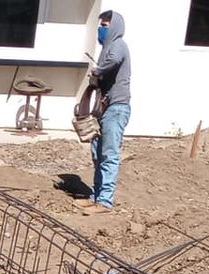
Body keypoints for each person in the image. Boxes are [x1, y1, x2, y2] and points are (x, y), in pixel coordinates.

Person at [77, 10, 131, 213]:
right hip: (103, 110)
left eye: (105, 26)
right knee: (97, 154)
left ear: (115, 27)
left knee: (109, 154)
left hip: (116, 109)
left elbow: (114, 61)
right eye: (100, 25)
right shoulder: (106, 49)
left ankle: (105, 202)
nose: (101, 29)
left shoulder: (117, 45)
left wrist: (98, 71)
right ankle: (95, 196)